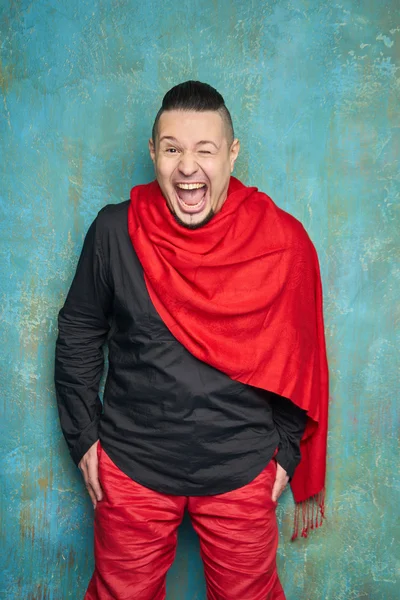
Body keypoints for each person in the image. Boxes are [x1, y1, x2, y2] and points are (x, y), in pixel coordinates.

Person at [55, 80, 329, 600]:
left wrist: (286, 454)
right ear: (153, 153)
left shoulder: (283, 243)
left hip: (242, 468)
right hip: (131, 466)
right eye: (173, 148)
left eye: (205, 149)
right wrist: (83, 437)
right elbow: (78, 333)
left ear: (232, 154)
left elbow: (303, 355)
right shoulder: (115, 231)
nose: (188, 167)